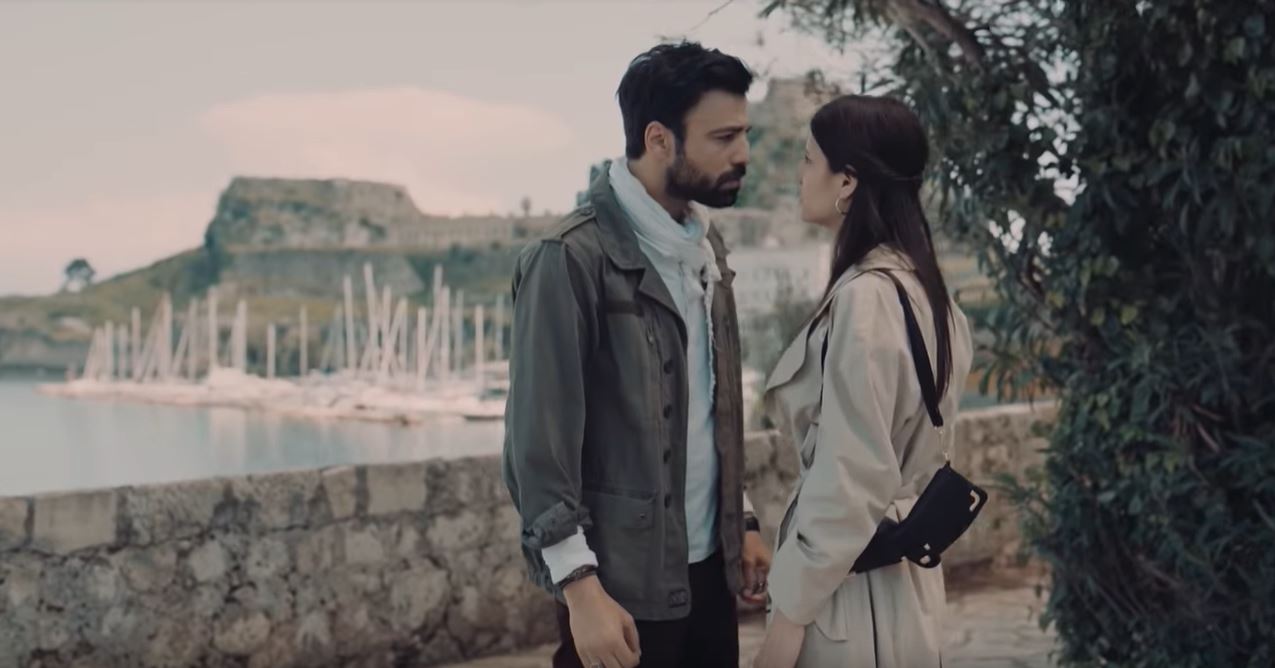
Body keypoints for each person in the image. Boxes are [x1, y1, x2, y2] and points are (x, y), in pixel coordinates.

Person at [502, 41, 772, 668]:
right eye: (724, 137)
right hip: (618, 589)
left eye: (744, 134)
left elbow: (707, 410)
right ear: (658, 139)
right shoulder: (569, 258)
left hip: (710, 576)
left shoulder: (706, 251)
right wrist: (580, 591)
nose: (743, 154)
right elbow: (538, 446)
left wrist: (743, 519)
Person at [752, 94, 975, 668]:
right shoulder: (932, 297)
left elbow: (850, 475)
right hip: (904, 583)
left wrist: (789, 615)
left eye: (809, 160)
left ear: (847, 181)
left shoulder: (867, 298)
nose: (800, 174)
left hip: (850, 592)